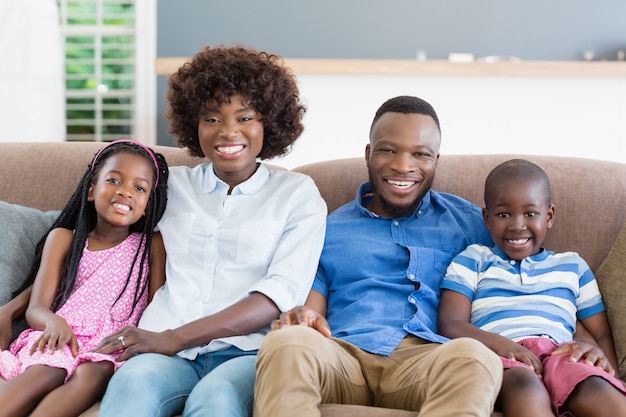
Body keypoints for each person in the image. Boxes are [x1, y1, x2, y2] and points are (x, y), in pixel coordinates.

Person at [95, 46, 327, 417]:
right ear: (194, 124)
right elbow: (98, 231)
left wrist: (175, 338)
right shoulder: (169, 186)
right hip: (164, 350)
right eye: (212, 118)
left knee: (215, 399)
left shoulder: (298, 195)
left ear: (270, 121)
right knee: (131, 386)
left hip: (248, 352)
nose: (228, 132)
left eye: (245, 116)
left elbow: (278, 294)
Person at [253, 95, 503, 417]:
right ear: (369, 154)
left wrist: (583, 339)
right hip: (344, 356)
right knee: (285, 343)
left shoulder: (469, 224)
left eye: (420, 154)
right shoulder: (326, 228)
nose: (403, 165)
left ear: (436, 161)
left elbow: (524, 276)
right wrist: (303, 319)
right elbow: (312, 314)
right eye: (388, 150)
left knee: (474, 356)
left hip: (426, 361)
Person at [438, 158, 626, 417]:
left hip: (563, 354)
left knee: (594, 387)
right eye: (504, 214)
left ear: (548, 216)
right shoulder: (473, 259)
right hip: (503, 359)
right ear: (487, 218)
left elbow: (601, 334)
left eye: (530, 213)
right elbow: (450, 322)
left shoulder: (572, 266)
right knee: (526, 389)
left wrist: (607, 370)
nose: (517, 225)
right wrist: (504, 346)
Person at [0, 139, 169, 417]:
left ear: (147, 206)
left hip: (112, 344)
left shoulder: (151, 245)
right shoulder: (63, 239)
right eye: (114, 180)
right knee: (49, 370)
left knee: (96, 373)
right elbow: (37, 308)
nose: (125, 192)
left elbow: (157, 304)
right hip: (60, 336)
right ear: (92, 190)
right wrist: (55, 323)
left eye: (139, 188)